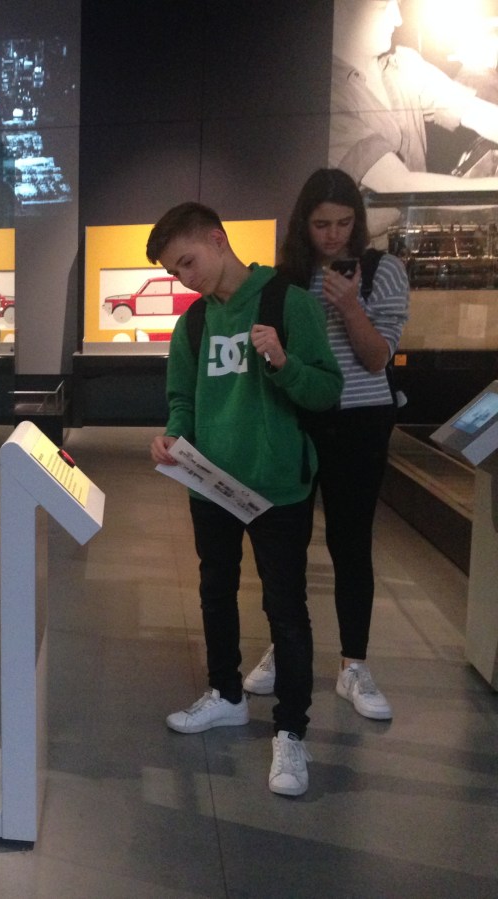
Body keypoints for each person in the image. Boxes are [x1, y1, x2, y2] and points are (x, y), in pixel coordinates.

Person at [147, 202, 343, 797]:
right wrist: (174, 436)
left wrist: (282, 362)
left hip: (278, 486)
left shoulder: (287, 303)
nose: (185, 278)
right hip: (211, 485)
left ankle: (291, 730)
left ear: (217, 239)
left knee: (286, 607)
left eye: (187, 262)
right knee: (215, 589)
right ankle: (227, 694)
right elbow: (183, 398)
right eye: (174, 271)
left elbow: (326, 390)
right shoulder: (194, 323)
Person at [244, 169, 410, 721]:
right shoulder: (286, 279)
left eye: (343, 223)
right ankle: (285, 645)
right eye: (321, 224)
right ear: (303, 223)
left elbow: (377, 358)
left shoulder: (383, 271)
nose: (333, 235)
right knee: (283, 544)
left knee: (351, 544)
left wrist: (351, 307)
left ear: (357, 222)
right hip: (298, 416)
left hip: (361, 420)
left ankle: (353, 663)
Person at [331, 0, 498, 235]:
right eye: (383, 8)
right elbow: (398, 185)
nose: (398, 19)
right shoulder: (327, 95)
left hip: (415, 238)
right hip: (362, 253)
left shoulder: (403, 65)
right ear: (339, 9)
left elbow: (477, 112)